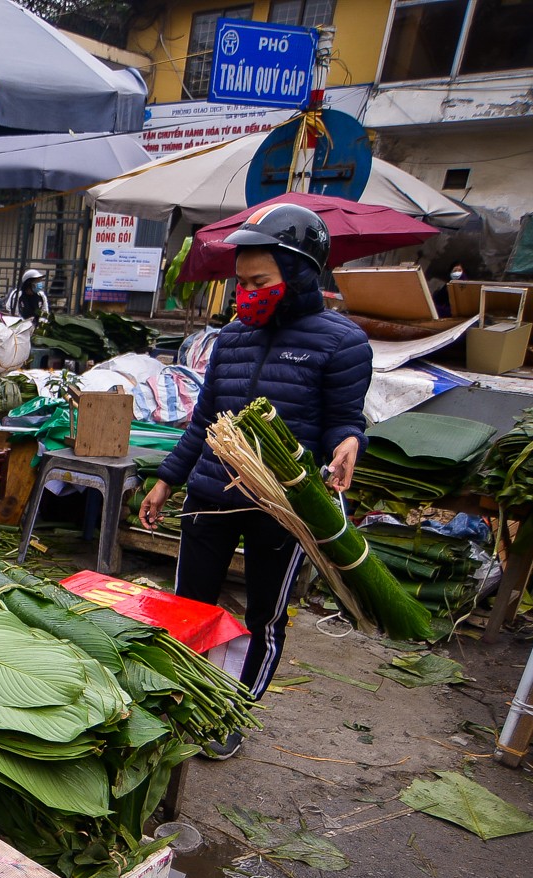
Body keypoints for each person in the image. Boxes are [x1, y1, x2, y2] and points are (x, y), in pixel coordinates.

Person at [138, 203, 371, 759]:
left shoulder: (343, 342)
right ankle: (179, 700)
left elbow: (345, 419)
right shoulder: (233, 339)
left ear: (297, 276)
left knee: (264, 614)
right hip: (210, 496)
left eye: (259, 281)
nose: (246, 293)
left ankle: (232, 713)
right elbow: (206, 420)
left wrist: (349, 443)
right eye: (240, 283)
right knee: (189, 606)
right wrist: (168, 479)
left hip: (282, 507)